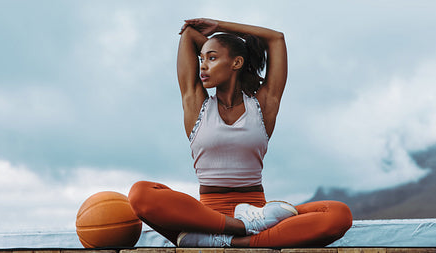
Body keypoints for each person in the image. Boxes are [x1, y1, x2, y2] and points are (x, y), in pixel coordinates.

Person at [128, 18, 352, 247]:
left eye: (212, 58)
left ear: (236, 63)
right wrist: (216, 48)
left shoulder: (262, 105)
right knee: (140, 194)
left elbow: (276, 39)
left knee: (338, 214)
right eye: (201, 58)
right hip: (206, 217)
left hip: (258, 212)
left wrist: (218, 26)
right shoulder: (196, 104)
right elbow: (188, 35)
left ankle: (226, 242)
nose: (203, 66)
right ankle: (241, 231)